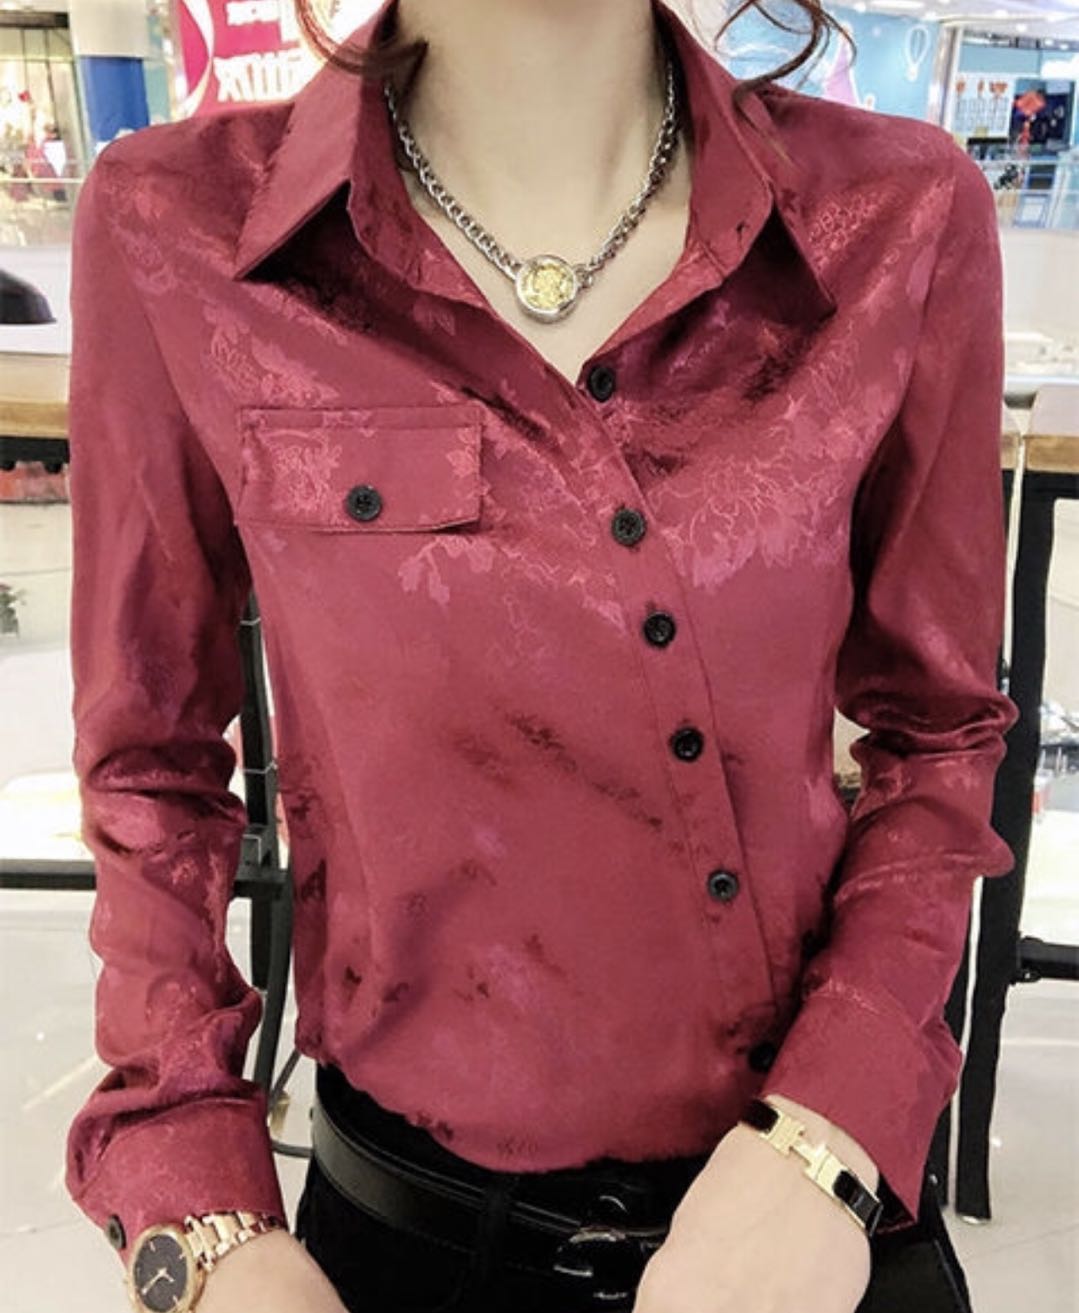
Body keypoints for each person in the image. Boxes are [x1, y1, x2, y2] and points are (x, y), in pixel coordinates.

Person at [62, 0, 1016, 1310]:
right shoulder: (178, 227)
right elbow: (148, 758)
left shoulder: (897, 216)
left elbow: (940, 731)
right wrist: (201, 1222)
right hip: (409, 1239)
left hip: (807, 1225)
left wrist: (829, 1136)